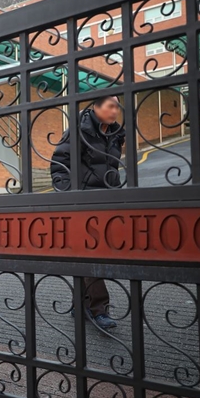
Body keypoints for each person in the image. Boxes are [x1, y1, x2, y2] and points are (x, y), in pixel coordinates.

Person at [50, 96, 125, 330]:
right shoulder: (79, 130)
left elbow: (110, 166)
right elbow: (59, 163)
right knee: (93, 253)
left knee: (90, 252)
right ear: (96, 107)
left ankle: (79, 305)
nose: (115, 111)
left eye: (117, 107)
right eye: (110, 106)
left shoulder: (115, 133)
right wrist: (68, 194)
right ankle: (98, 309)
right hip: (82, 201)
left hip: (105, 199)